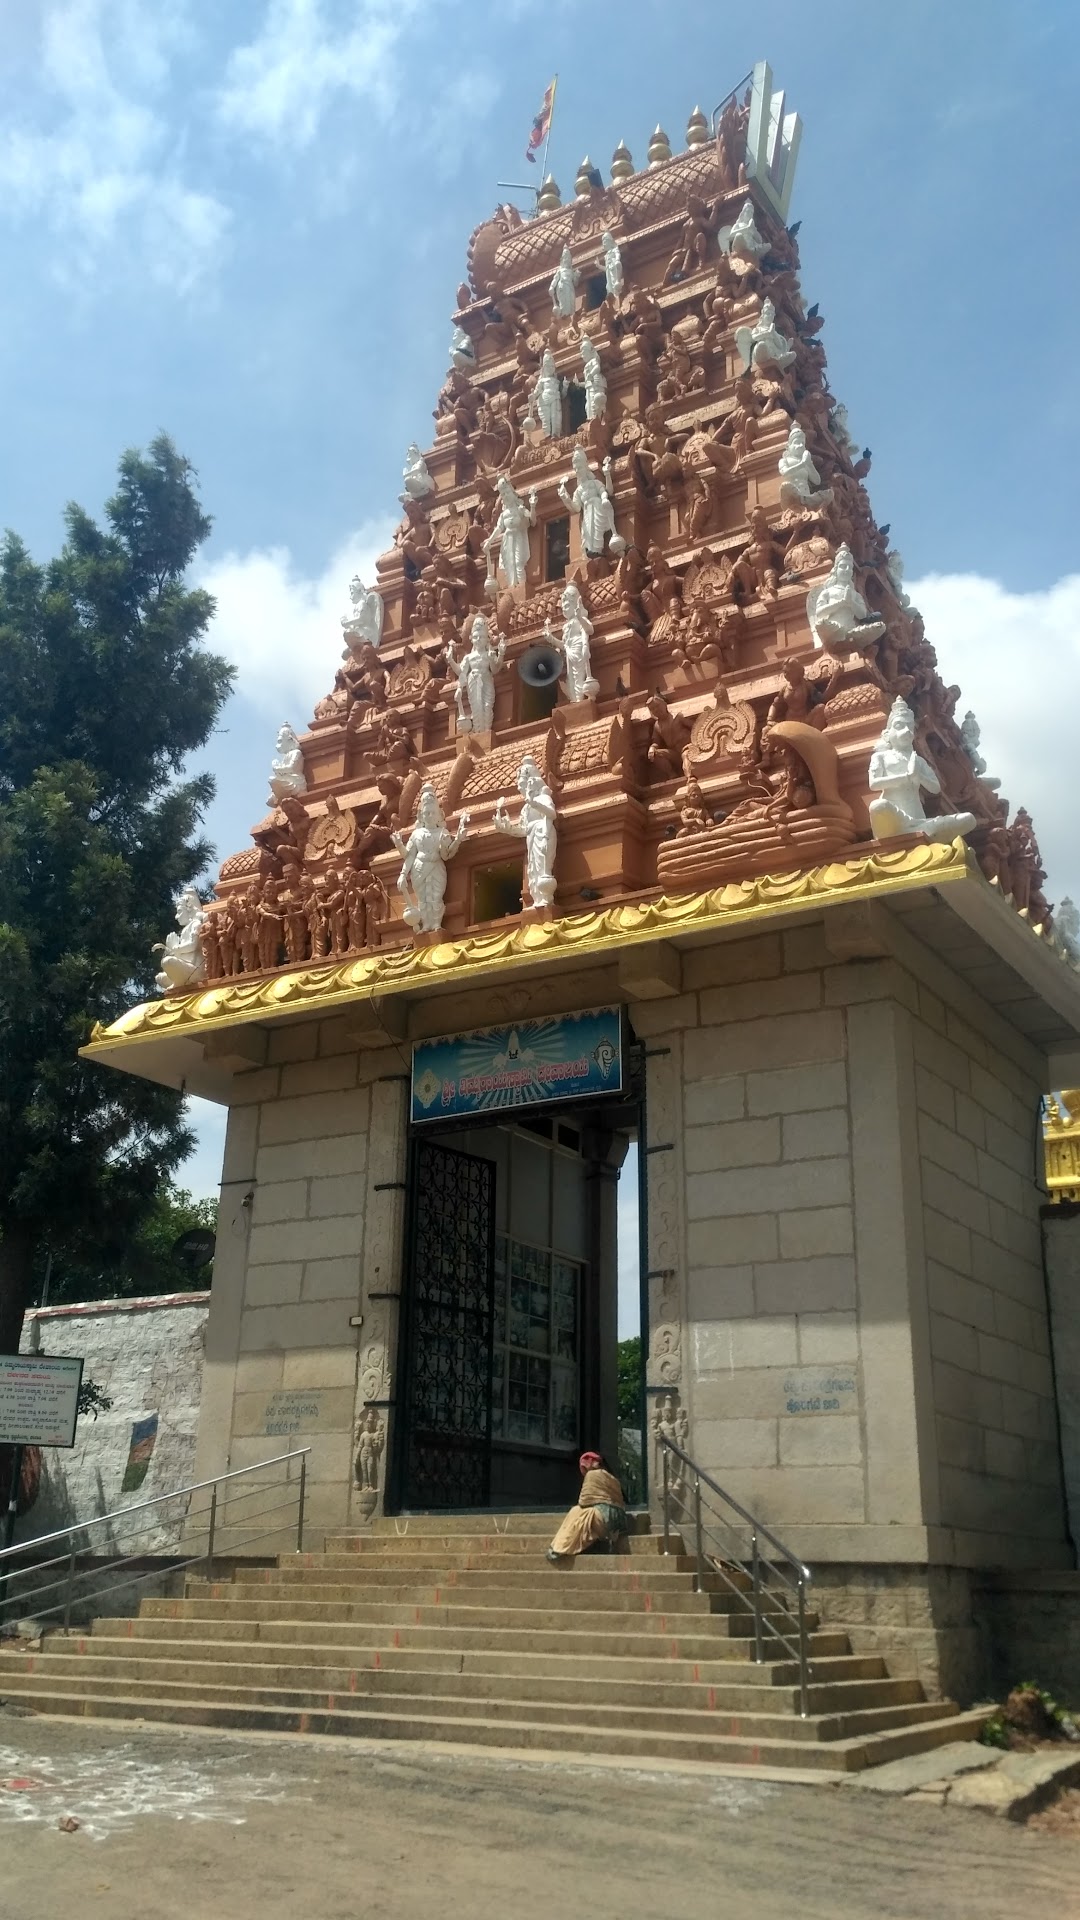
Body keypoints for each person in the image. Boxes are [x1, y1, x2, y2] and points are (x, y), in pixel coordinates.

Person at [546, 1451, 629, 1560]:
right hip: (620, 1520)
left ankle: (561, 1547)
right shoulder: (611, 1477)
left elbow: (584, 1501)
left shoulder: (592, 1475)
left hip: (606, 1518)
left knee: (577, 1512)